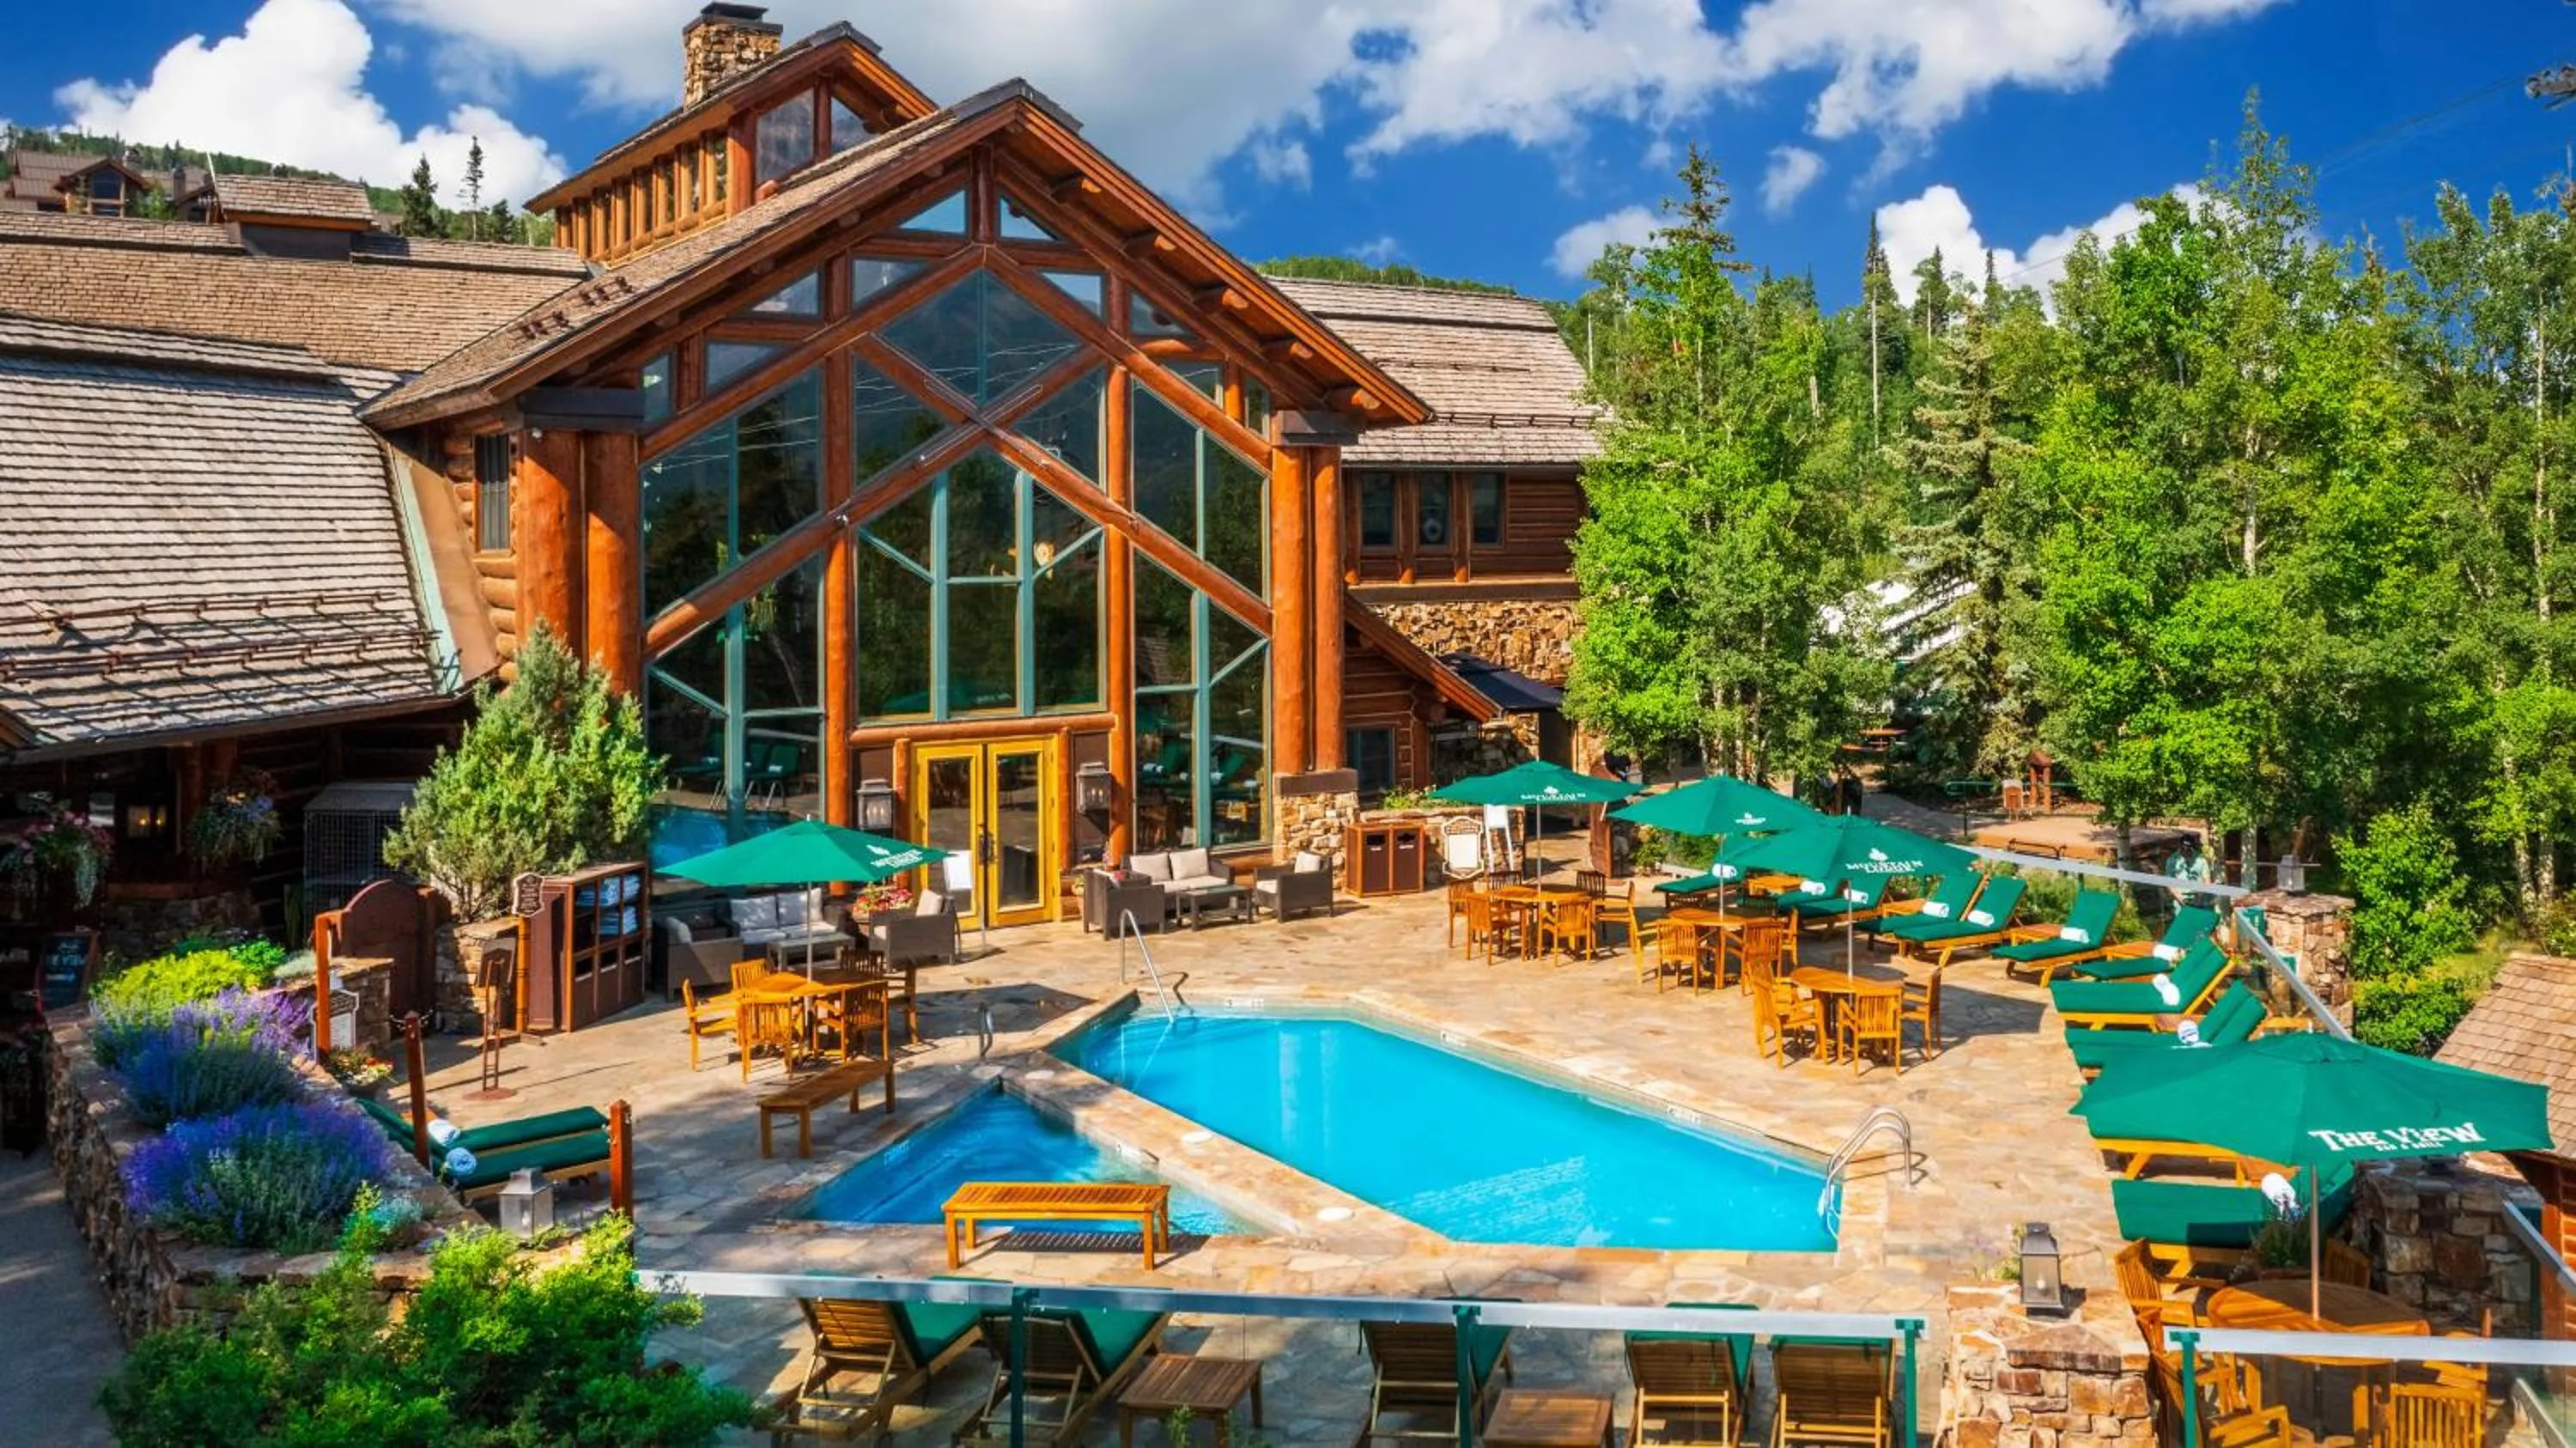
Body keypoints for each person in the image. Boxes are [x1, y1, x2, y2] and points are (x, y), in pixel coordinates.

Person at [2166, 835, 2215, 909]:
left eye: (2187, 849)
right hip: (2180, 899)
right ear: (2179, 847)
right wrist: (2178, 896)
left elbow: (2207, 881)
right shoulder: (2172, 860)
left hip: (2199, 899)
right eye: (2182, 849)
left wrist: (2200, 895)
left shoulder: (2201, 860)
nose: (2185, 852)